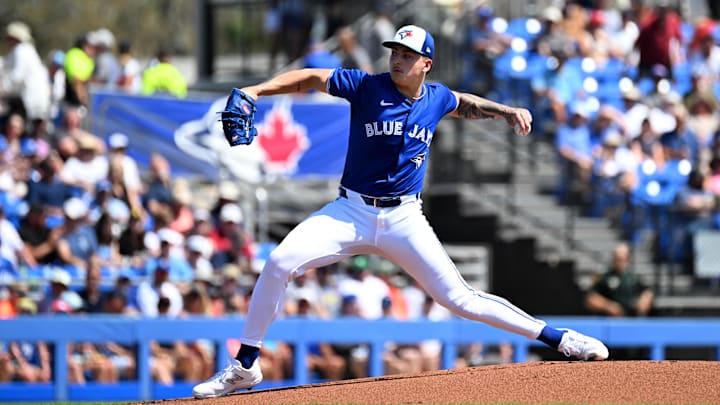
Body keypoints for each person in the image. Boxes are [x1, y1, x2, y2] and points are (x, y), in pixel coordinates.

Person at [192, 24, 609, 399]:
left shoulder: (436, 97)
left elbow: (462, 101)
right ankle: (245, 365)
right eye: (394, 51)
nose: (397, 58)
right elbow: (309, 78)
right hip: (349, 211)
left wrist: (504, 111)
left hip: (404, 219)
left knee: (459, 298)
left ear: (426, 63)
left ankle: (560, 339)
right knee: (279, 262)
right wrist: (255, 91)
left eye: (407, 54)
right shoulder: (366, 86)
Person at [585, 242, 654, 317]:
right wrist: (608, 306)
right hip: (610, 321)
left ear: (627, 259)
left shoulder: (634, 277)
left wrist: (644, 301)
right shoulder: (605, 277)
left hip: (632, 319)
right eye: (616, 259)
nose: (619, 262)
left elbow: (647, 292)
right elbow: (591, 299)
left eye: (621, 259)